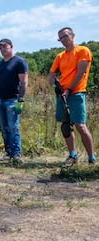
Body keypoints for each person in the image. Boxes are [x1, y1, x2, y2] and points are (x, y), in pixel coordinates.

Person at [48, 27, 96, 165]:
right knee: (65, 125)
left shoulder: (82, 51)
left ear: (72, 35)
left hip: (76, 93)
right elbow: (51, 75)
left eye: (65, 36)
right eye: (60, 38)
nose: (63, 40)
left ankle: (91, 157)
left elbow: (80, 73)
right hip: (62, 94)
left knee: (80, 125)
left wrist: (68, 89)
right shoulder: (60, 56)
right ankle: (72, 155)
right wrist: (54, 86)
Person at [0, 38, 28, 164]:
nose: (2, 49)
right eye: (0, 47)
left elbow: (23, 82)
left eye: (4, 46)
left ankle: (16, 153)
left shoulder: (19, 62)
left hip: (12, 99)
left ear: (11, 46)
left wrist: (21, 100)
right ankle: (8, 152)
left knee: (13, 127)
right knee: (3, 128)